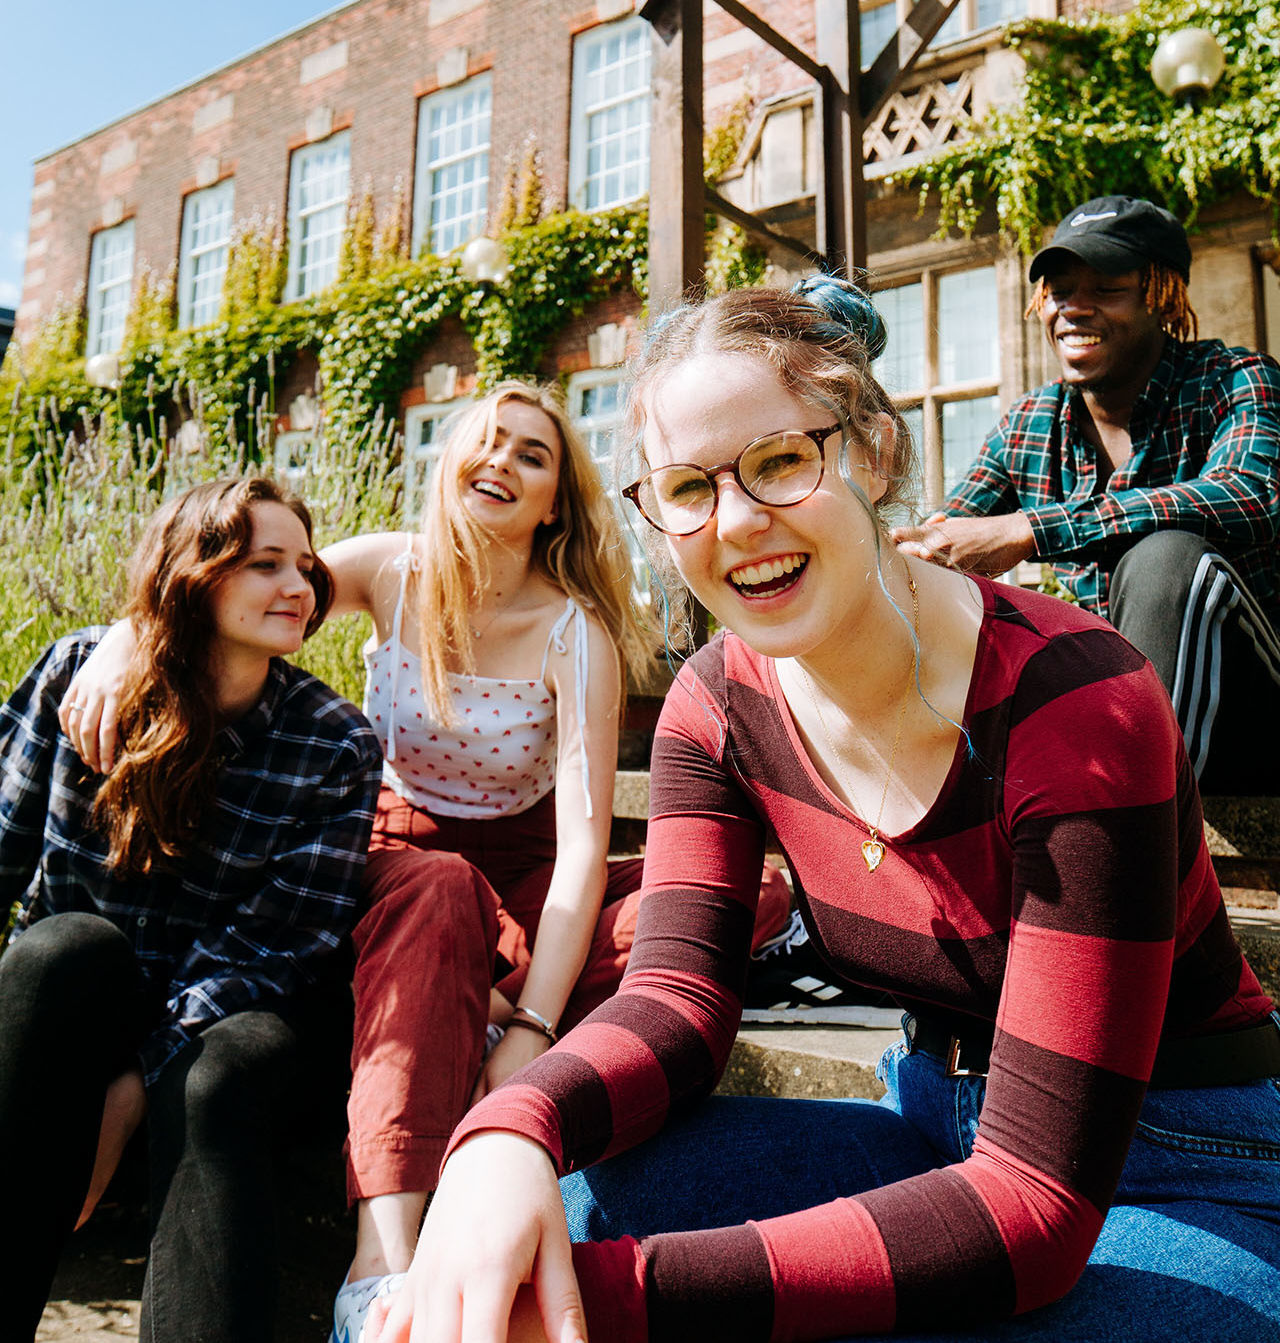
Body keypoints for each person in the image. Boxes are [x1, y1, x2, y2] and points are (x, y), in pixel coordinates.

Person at [366, 281, 1280, 1343]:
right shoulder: (713, 707)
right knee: (539, 1223)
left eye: (779, 460)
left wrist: (607, 1303)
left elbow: (1033, 1208)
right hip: (933, 1123)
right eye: (685, 488)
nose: (738, 523)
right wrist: (506, 1130)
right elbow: (672, 1002)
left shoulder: (1075, 704)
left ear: (872, 453)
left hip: (1181, 1165)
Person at [60, 380, 788, 1343]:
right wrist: (130, 635)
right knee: (438, 891)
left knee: (744, 896)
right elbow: (232, 586)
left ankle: (482, 995)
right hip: (388, 857)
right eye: (484, 442)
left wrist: (528, 1024)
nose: (502, 461)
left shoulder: (577, 631)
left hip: (524, 881)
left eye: (532, 454)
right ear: (448, 464)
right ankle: (385, 1256)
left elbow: (582, 849)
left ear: (555, 500)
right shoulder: (385, 571)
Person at [0, 477, 382, 1343]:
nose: (298, 586)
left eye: (306, 565)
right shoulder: (78, 673)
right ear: (193, 575)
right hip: (79, 1003)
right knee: (60, 949)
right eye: (264, 564)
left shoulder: (334, 742)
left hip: (237, 1016)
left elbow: (273, 954)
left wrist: (137, 1084)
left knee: (216, 1072)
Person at [892, 195, 1280, 795]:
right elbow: (951, 536)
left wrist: (1029, 530)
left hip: (1251, 710)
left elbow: (1251, 495)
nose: (1074, 309)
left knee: (1166, 558)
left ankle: (1137, 830)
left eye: (1106, 288)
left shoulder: (1234, 379)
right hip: (1114, 718)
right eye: (1059, 289)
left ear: (1164, 297)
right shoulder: (1031, 425)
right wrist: (910, 550)